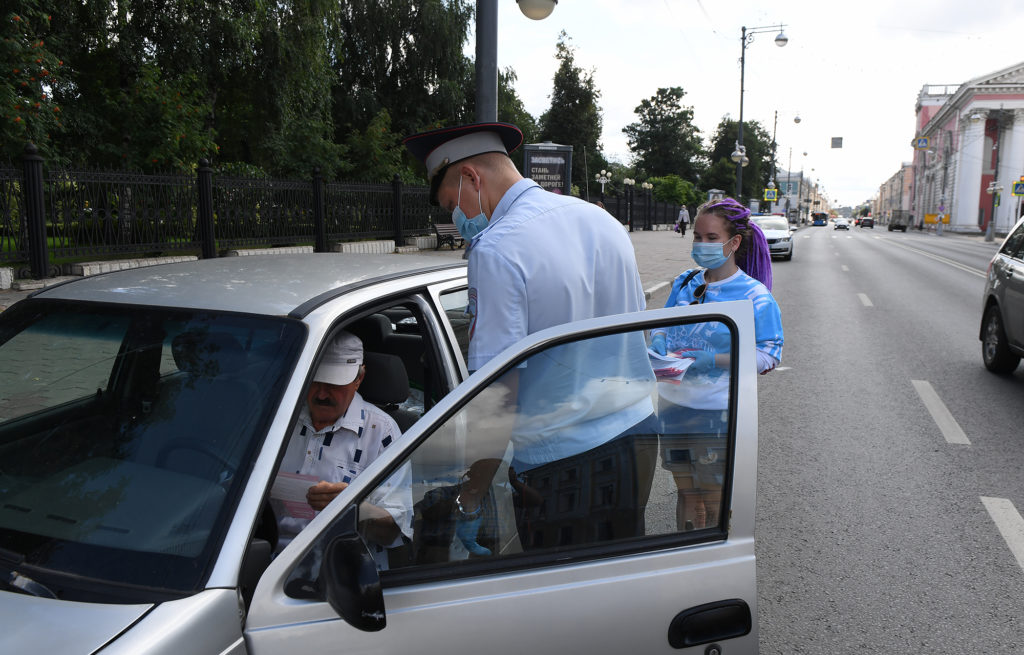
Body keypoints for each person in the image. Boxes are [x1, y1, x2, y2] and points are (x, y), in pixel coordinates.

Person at [404, 122, 656, 548]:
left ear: (470, 178)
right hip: (637, 436)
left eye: (452, 205)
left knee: (559, 609)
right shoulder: (603, 222)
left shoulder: (497, 248)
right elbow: (635, 337)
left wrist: (470, 497)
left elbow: (497, 398)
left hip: (566, 469)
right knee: (618, 594)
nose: (456, 219)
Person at [650, 197, 783, 531]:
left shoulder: (754, 296)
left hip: (715, 415)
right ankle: (685, 557)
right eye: (697, 236)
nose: (701, 244)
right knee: (686, 496)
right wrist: (658, 341)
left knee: (714, 499)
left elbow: (769, 355)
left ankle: (714, 566)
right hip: (674, 406)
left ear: (734, 242)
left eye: (711, 238)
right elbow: (663, 323)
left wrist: (713, 359)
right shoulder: (685, 282)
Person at [271, 331, 412, 568]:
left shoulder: (381, 431)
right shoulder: (280, 419)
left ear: (359, 378)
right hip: (266, 559)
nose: (322, 394)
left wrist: (350, 508)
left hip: (339, 571)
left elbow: (394, 531)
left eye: (334, 384)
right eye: (315, 381)